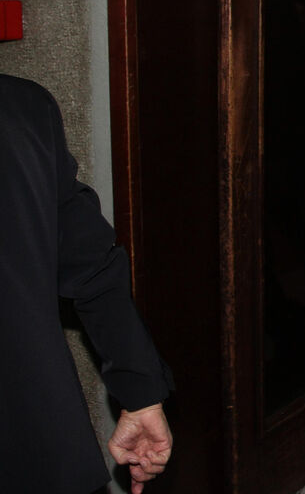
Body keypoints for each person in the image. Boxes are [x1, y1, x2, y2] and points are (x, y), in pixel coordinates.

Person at [0, 74, 173, 494]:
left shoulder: (25, 108)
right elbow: (92, 266)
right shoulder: (23, 107)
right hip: (41, 440)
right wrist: (140, 390)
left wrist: (140, 391)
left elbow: (91, 262)